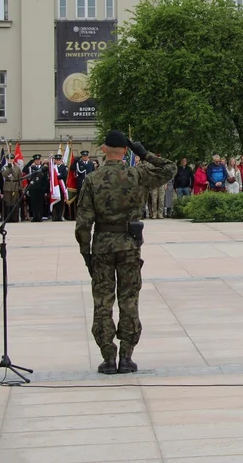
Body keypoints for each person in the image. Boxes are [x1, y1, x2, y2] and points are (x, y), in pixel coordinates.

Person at [76, 131, 176, 375]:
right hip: (129, 246)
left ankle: (108, 357)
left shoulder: (93, 178)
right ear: (125, 151)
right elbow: (170, 168)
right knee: (129, 300)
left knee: (103, 301)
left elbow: (83, 223)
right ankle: (127, 357)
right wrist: (143, 152)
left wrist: (86, 253)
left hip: (101, 247)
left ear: (103, 148)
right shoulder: (137, 174)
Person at [24, 155, 47, 221]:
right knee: (33, 204)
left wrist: (45, 189)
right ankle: (34, 217)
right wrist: (31, 162)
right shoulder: (31, 168)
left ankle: (39, 217)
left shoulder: (43, 168)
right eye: (36, 160)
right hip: (33, 188)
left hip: (40, 188)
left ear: (40, 160)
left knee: (40, 204)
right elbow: (24, 169)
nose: (37, 161)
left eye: (38, 160)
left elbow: (45, 179)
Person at [2, 157, 23, 222]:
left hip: (15, 186)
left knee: (14, 202)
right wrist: (9, 168)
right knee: (7, 203)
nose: (10, 160)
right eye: (9, 159)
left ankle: (14, 218)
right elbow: (4, 174)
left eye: (11, 159)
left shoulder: (17, 167)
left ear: (13, 159)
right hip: (7, 187)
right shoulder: (5, 167)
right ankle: (7, 218)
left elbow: (19, 177)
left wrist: (20, 187)